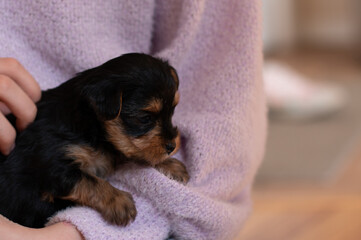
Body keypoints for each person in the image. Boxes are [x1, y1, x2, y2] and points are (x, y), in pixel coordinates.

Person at [0, 1, 266, 239]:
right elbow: (58, 176)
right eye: (144, 119)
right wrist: (107, 197)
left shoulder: (103, 128)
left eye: (169, 113)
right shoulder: (60, 131)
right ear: (103, 106)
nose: (170, 139)